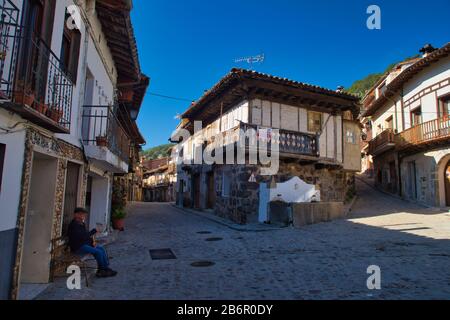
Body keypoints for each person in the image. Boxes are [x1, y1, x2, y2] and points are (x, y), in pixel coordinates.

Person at [67, 208, 117, 278]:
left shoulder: (81, 224)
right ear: (76, 215)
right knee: (98, 252)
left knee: (101, 249)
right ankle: (102, 270)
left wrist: (92, 242)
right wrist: (94, 231)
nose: (83, 217)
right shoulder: (74, 225)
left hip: (83, 244)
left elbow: (85, 236)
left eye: (84, 215)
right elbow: (82, 237)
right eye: (82, 215)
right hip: (78, 247)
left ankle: (105, 268)